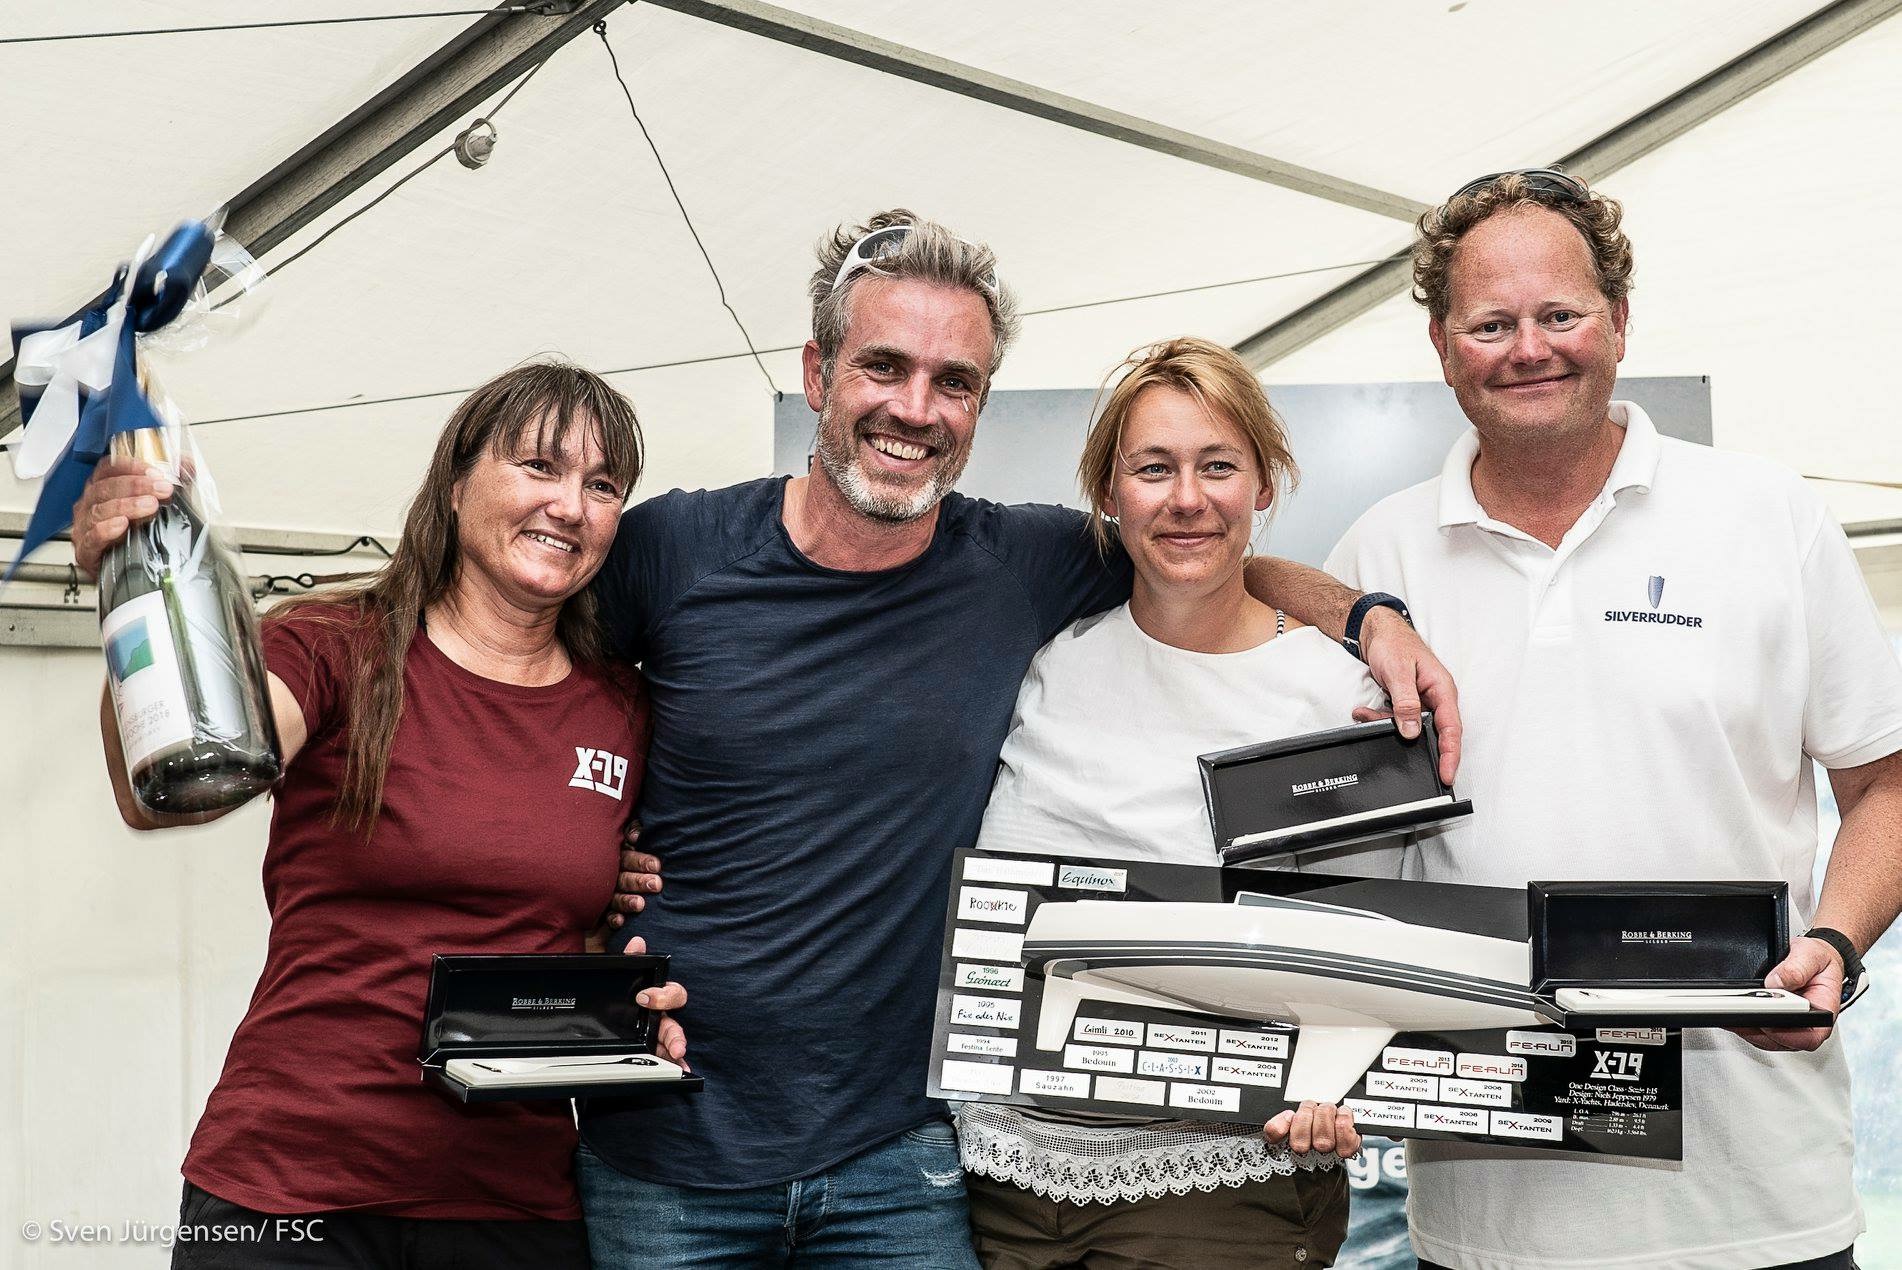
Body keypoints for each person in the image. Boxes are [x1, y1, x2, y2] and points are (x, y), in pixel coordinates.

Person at [579, 209, 1461, 1267]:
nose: (915, 408)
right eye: (883, 366)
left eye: (954, 381)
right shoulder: (673, 549)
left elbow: (1205, 557)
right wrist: (576, 862)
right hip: (669, 1143)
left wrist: (1370, 618)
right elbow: (513, 674)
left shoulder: (1020, 566)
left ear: (982, 402)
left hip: (900, 1153)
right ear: (817, 374)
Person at [1326, 170, 1902, 1270]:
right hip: (1492, 1216)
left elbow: (1886, 782)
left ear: (1620, 320)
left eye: (1561, 314)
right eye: (1490, 324)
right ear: (1443, 347)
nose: (1529, 349)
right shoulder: (1377, 555)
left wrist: (1834, 942)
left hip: (1757, 1200)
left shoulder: (1767, 514)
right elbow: (1341, 855)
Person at [70, 362, 688, 1270]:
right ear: (457, 481)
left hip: (512, 1205)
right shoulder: (333, 647)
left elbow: (590, 935)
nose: (570, 506)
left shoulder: (624, 709)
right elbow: (156, 790)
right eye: (539, 467)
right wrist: (133, 586)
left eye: (603, 486)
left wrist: (632, 1012)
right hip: (291, 1189)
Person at [957, 336, 1380, 1269]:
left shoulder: (1337, 697)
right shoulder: (1048, 662)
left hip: (1221, 1188)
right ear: (1109, 494)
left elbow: (1378, 937)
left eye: (1218, 466)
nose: (1187, 498)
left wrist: (1340, 1080)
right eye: (1154, 468)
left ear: (1265, 485)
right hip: (1003, 1180)